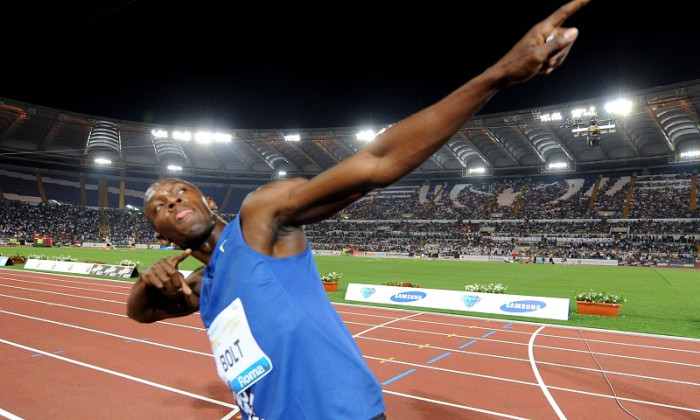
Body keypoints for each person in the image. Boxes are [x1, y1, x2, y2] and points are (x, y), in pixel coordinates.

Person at [126, 1, 590, 418]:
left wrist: (498, 75)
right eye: (159, 207)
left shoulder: (258, 219)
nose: (172, 201)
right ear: (163, 236)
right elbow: (141, 314)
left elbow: (374, 164)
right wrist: (145, 284)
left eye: (180, 192)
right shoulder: (203, 287)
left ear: (207, 201)